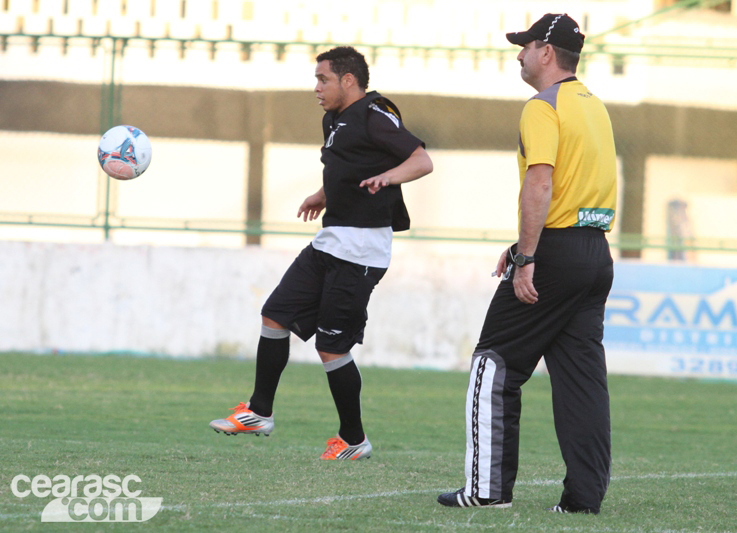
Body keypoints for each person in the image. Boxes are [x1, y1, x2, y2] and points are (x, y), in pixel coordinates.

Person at [210, 46, 433, 460]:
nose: (316, 87)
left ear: (349, 80)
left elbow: (421, 161)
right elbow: (347, 165)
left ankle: (353, 439)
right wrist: (322, 193)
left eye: (323, 79)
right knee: (275, 314)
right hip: (330, 241)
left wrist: (389, 177)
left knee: (331, 347)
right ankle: (259, 411)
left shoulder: (374, 113)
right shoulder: (335, 118)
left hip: (362, 250)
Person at [437, 14, 617, 513]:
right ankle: (583, 499)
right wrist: (521, 244)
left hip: (555, 254)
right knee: (582, 379)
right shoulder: (593, 105)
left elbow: (541, 183)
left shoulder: (543, 105)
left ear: (546, 52)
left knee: (492, 363)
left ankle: (486, 489)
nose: (519, 55)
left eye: (526, 46)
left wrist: (528, 258)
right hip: (595, 252)